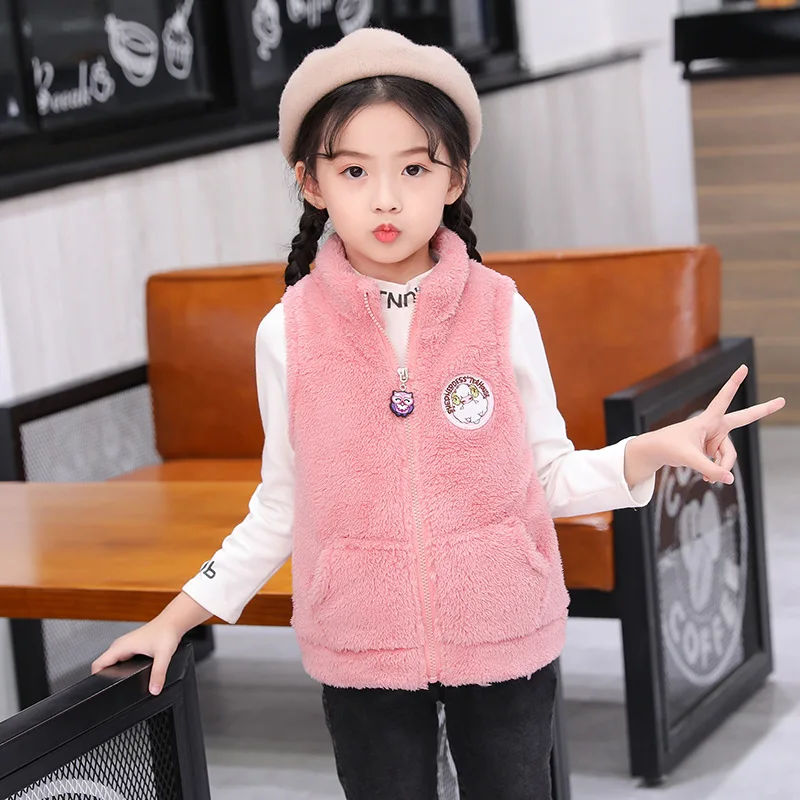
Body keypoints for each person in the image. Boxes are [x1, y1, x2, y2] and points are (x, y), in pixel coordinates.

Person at [92, 28, 785, 799]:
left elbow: (547, 476)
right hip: (360, 644)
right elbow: (282, 505)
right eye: (354, 170)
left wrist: (652, 449)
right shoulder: (287, 333)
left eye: (414, 168)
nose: (386, 197)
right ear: (311, 183)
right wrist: (179, 615)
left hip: (504, 631)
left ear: (454, 176)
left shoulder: (501, 311)